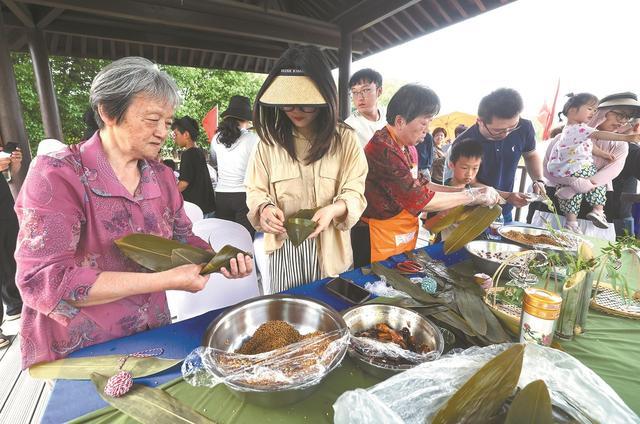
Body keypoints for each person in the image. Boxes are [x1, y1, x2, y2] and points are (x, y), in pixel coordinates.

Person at [14, 57, 252, 368]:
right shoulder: (57, 175)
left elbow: (184, 239)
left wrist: (218, 260)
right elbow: (43, 280)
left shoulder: (162, 177)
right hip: (81, 349)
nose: (162, 133)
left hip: (151, 334)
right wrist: (165, 280)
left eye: (167, 123)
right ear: (108, 111)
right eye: (152, 120)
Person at [246, 46, 368, 292]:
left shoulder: (345, 139)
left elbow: (355, 190)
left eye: (306, 104)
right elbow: (255, 189)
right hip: (284, 249)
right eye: (288, 104)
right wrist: (265, 208)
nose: (296, 111)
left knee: (331, 315)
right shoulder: (268, 143)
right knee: (288, 321)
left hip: (331, 248)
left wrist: (335, 208)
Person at [362, 84, 501, 262]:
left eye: (430, 122)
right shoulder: (383, 149)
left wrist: (461, 191)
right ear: (400, 121)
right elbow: (420, 199)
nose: (427, 129)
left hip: (401, 230)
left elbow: (422, 184)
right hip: (377, 233)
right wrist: (472, 195)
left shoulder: (407, 147)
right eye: (424, 122)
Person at [446, 88, 546, 223]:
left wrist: (538, 180)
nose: (506, 134)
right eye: (498, 130)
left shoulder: (524, 127)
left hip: (504, 211)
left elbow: (530, 155)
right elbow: (467, 181)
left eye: (512, 127)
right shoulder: (465, 142)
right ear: (480, 121)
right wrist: (508, 196)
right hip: (472, 214)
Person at [543, 92, 640, 228]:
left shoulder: (620, 145)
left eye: (628, 118)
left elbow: (610, 172)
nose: (623, 121)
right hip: (557, 200)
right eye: (621, 115)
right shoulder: (563, 137)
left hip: (596, 207)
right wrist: (572, 182)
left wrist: (572, 189)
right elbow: (548, 171)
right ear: (601, 112)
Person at [210, 95, 258, 238]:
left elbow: (214, 161)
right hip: (244, 196)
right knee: (244, 241)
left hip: (221, 196)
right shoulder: (253, 139)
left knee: (225, 239)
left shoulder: (216, 139)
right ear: (246, 119)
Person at [0, 143, 23, 349]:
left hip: (3, 204)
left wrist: (12, 166)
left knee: (10, 253)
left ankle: (15, 306)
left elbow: (8, 177)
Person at [172, 116, 216, 217]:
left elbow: (183, 183)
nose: (175, 138)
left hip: (197, 210)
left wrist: (169, 195)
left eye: (176, 134)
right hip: (208, 206)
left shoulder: (188, 154)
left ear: (186, 134)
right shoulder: (199, 152)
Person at [344, 68, 386, 147]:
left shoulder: (388, 116)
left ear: (379, 91)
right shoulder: (349, 127)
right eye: (355, 92)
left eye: (365, 90)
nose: (360, 97)